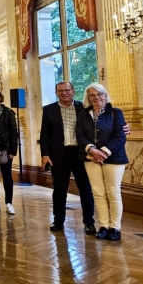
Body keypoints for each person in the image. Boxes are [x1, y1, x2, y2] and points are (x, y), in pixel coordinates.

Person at [40, 82, 96, 234]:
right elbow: (44, 135)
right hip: (59, 155)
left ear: (73, 91)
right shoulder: (49, 109)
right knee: (59, 189)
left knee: (85, 189)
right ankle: (58, 221)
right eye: (61, 91)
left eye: (67, 90)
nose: (64, 93)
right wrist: (45, 155)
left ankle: (89, 222)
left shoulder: (83, 107)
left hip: (81, 154)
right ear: (56, 92)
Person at [76, 83, 128, 241]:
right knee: (98, 193)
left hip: (114, 157)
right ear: (88, 98)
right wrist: (92, 150)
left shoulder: (115, 112)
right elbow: (80, 135)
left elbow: (121, 136)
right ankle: (104, 226)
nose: (96, 97)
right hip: (91, 157)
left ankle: (115, 228)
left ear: (105, 95)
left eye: (99, 94)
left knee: (113, 192)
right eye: (92, 95)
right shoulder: (84, 114)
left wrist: (103, 152)